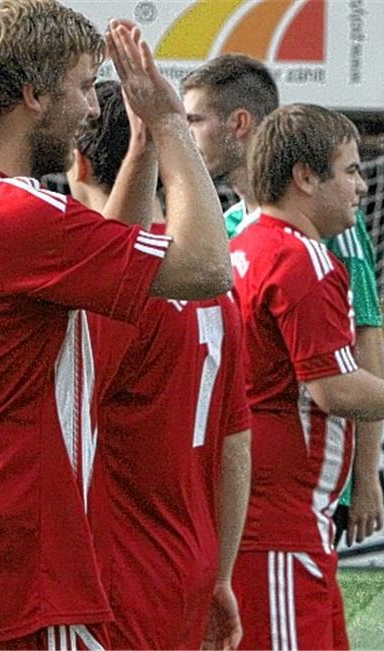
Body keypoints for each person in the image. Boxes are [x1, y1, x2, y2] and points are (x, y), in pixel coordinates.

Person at [0, 1, 231, 648]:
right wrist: (172, 125)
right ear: (33, 94)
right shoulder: (16, 214)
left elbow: (102, 256)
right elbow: (208, 266)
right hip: (9, 575)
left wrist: (147, 146)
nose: (93, 109)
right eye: (79, 86)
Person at [229, 103, 384, 650]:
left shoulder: (244, 247)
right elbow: (336, 390)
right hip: (278, 524)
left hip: (273, 514)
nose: (363, 187)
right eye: (350, 170)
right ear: (305, 177)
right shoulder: (304, 260)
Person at [67, 79, 251, 650]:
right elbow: (235, 447)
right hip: (189, 559)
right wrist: (221, 574)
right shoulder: (216, 290)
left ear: (77, 162)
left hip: (107, 563)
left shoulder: (94, 288)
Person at [182, 55, 384, 548]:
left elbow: (367, 336)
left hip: (303, 483)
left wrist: (367, 476)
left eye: (195, 121)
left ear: (238, 124)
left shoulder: (331, 219)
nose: (187, 136)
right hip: (237, 468)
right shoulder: (227, 225)